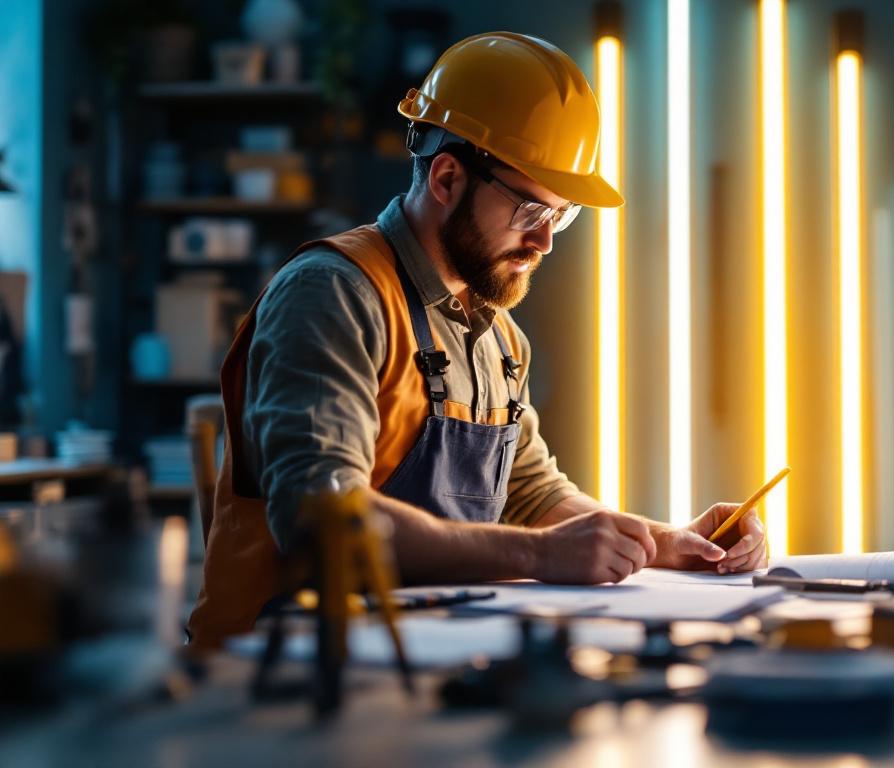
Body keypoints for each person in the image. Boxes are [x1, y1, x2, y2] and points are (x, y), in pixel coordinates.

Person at [187, 32, 766, 647]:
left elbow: (530, 493)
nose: (544, 242)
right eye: (530, 212)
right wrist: (540, 556)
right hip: (281, 674)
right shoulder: (334, 295)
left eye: (559, 217)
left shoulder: (499, 337)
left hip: (421, 652)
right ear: (446, 178)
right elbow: (322, 521)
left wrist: (666, 543)